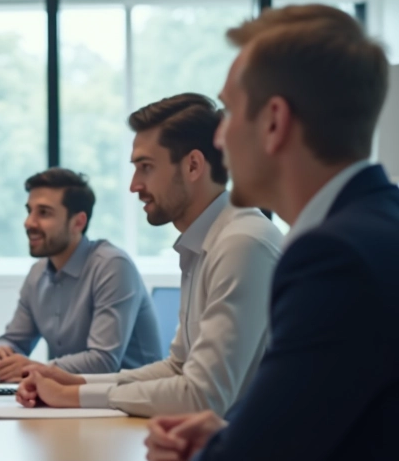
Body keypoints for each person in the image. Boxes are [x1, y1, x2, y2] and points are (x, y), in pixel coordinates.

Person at [144, 5, 399, 461]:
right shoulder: (384, 231)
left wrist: (217, 456)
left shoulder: (337, 258)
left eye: (230, 113)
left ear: (275, 122)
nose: (218, 140)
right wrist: (228, 439)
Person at [16, 94, 282, 417]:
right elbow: (177, 368)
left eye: (146, 167)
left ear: (193, 165)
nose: (134, 185)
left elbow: (201, 394)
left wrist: (73, 396)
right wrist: (76, 383)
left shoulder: (241, 244)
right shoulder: (205, 243)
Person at [0, 168, 162, 382]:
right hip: (75, 400)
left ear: (78, 223)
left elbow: (104, 361)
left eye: (44, 213)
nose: (29, 223)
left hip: (130, 404)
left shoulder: (112, 266)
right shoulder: (38, 273)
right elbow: (15, 339)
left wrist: (35, 369)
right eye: (30, 211)